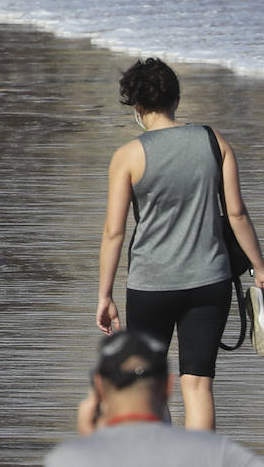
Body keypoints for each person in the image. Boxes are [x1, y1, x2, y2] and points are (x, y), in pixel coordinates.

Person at [96, 58, 264, 430]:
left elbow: (114, 232)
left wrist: (104, 295)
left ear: (136, 106)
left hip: (150, 285)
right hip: (209, 282)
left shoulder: (128, 156)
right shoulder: (212, 140)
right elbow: (236, 214)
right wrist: (260, 267)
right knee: (198, 384)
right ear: (176, 98)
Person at [45, 331, 264, 466]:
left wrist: (90, 443)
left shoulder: (69, 459)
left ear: (99, 387)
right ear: (169, 386)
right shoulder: (218, 453)